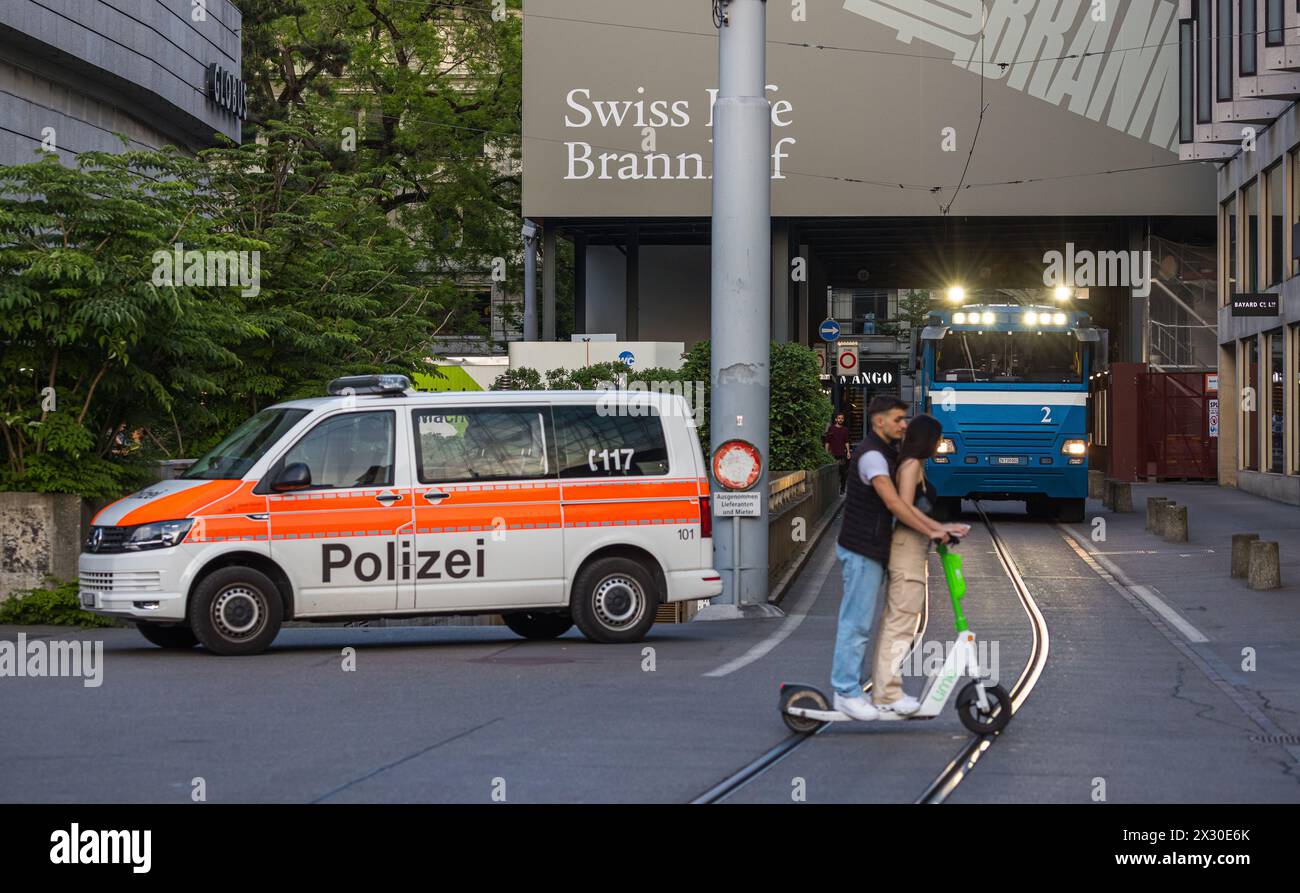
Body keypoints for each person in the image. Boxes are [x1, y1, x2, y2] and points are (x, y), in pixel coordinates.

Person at [831, 396, 965, 721]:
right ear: (879, 421)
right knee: (861, 623)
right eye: (897, 419)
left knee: (879, 621)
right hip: (864, 547)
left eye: (906, 421)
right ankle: (849, 691)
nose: (903, 425)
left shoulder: (889, 454)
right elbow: (897, 506)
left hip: (876, 548)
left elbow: (904, 507)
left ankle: (874, 691)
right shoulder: (874, 456)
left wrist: (938, 529)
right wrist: (936, 529)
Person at [870, 414, 969, 716]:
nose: (940, 445)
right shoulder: (911, 466)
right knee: (900, 624)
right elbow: (903, 510)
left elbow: (914, 510)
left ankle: (886, 691)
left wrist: (943, 528)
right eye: (937, 439)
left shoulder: (916, 465)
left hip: (913, 549)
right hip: (905, 551)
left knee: (900, 623)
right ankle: (887, 694)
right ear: (928, 439)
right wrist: (936, 530)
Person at [822, 412, 852, 495]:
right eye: (839, 418)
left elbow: (846, 442)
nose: (840, 420)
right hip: (832, 455)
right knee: (833, 473)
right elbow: (827, 442)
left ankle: (842, 489)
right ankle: (832, 491)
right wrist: (826, 453)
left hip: (842, 454)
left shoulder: (845, 429)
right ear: (836, 419)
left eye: (842, 418)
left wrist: (848, 452)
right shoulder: (831, 429)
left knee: (843, 473)